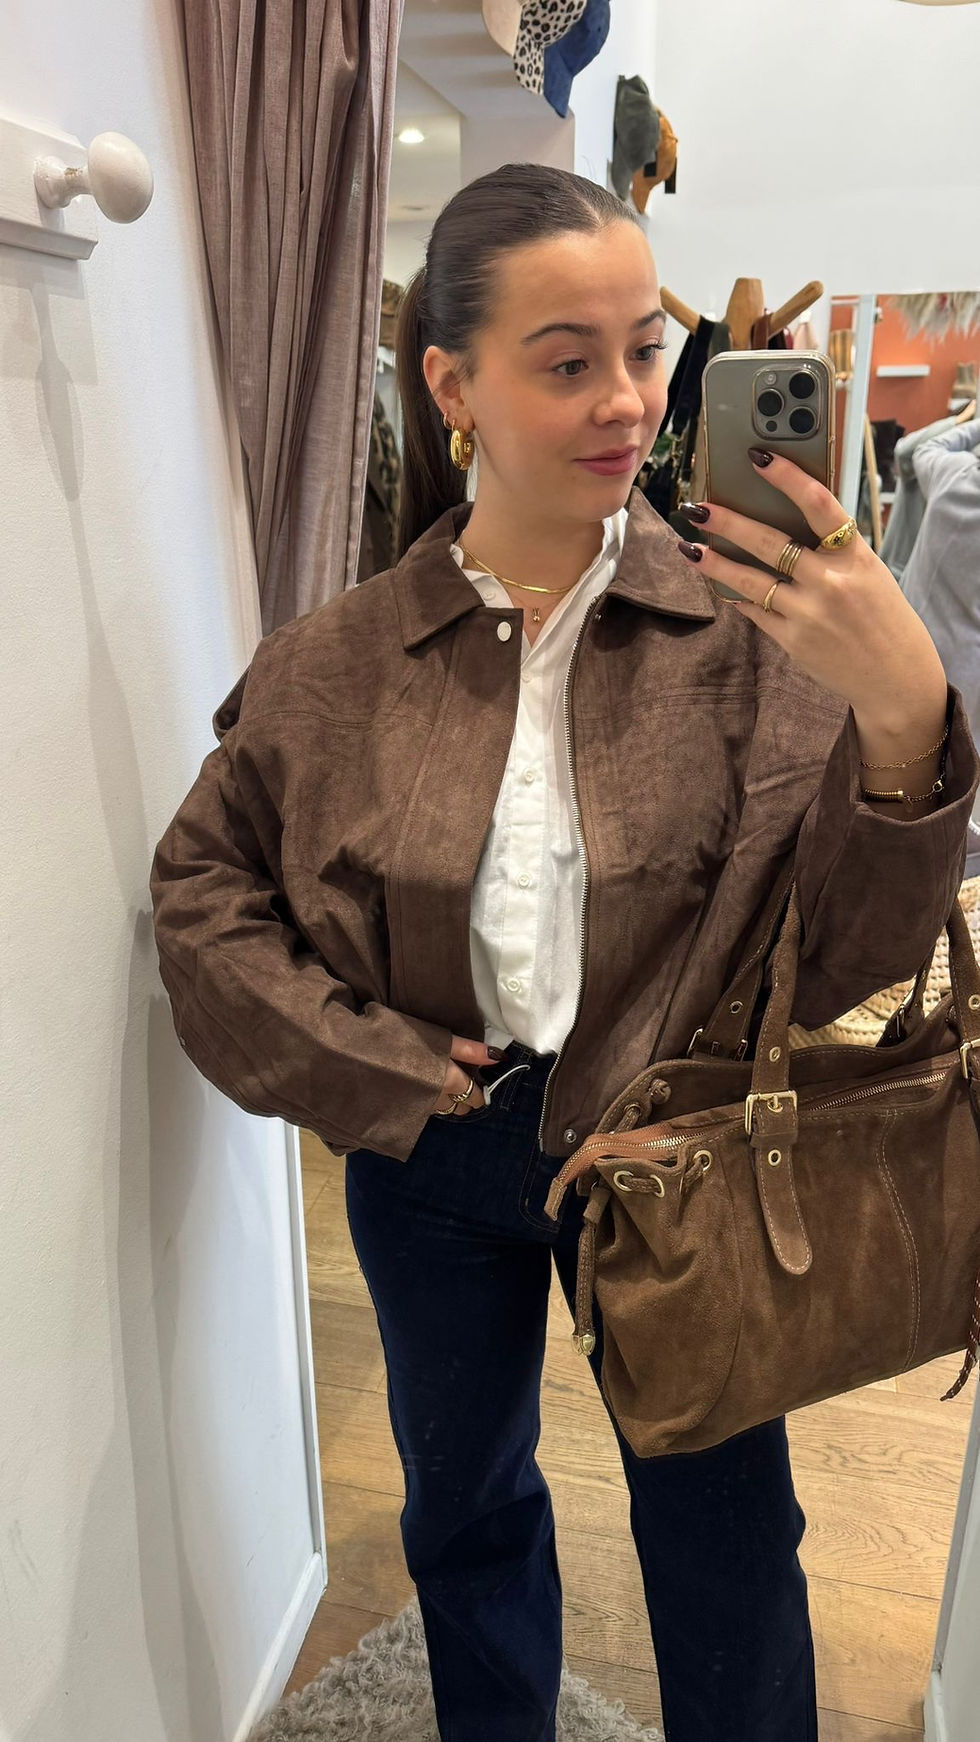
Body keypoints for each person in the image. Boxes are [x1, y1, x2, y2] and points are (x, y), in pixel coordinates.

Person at [149, 163, 980, 1741]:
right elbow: (203, 893)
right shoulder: (336, 663)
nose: (628, 400)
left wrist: (903, 718)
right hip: (432, 1145)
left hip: (678, 1150)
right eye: (567, 359)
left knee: (727, 1536)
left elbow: (843, 955)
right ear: (451, 385)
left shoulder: (757, 637)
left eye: (646, 349)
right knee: (464, 1505)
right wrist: (385, 1063)